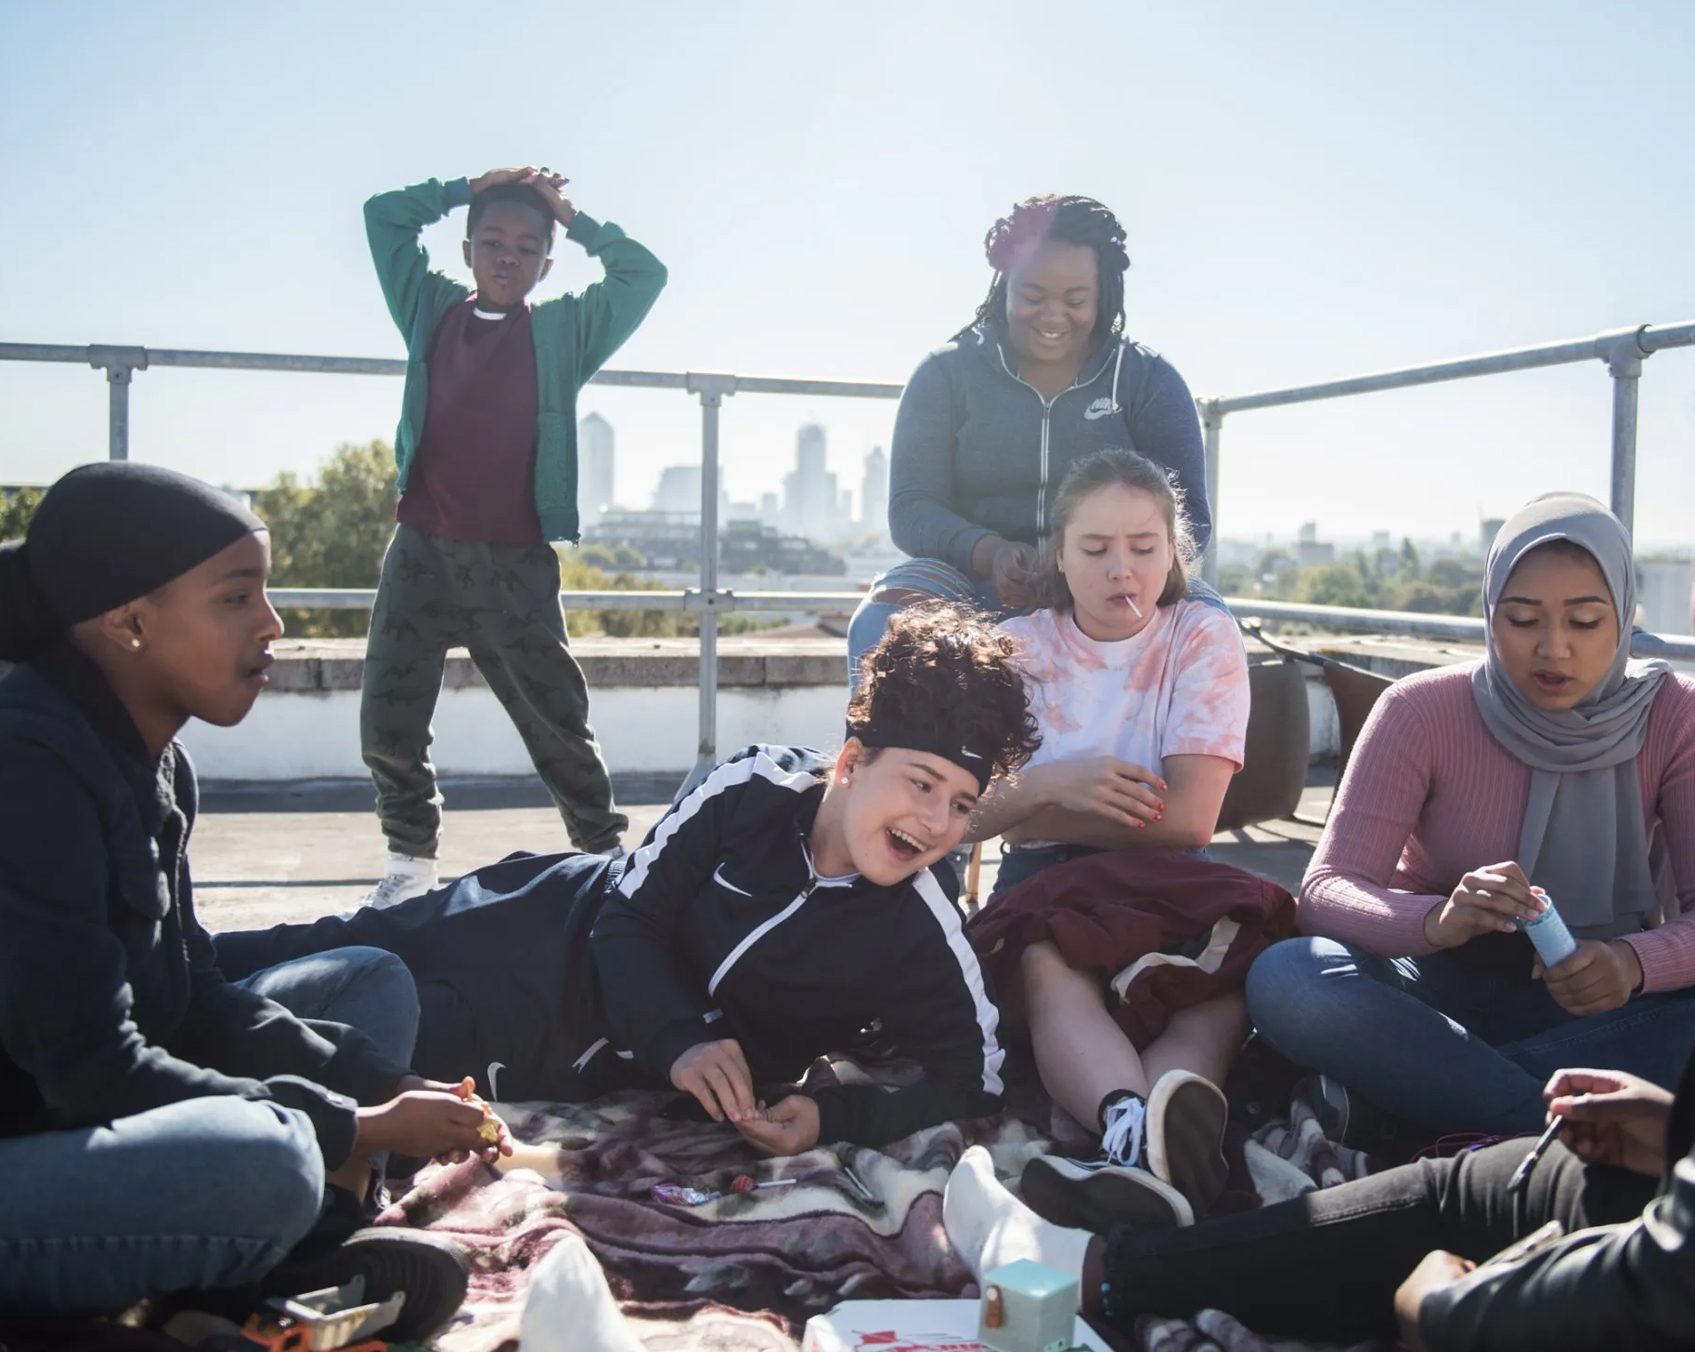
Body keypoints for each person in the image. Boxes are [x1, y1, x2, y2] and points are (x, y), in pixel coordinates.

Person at [943, 231, 1695, 1351]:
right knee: (1321, 1002)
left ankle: (1411, 1139)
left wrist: (1446, 1309)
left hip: (1651, 1077)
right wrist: (1451, 934)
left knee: (1537, 1151)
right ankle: (1101, 1268)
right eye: (1520, 617)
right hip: (1448, 994)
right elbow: (1328, 890)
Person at [216, 606, 1039, 1152]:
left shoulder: (921, 923)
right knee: (308, 947)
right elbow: (627, 913)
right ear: (853, 761)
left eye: (962, 804)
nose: (937, 822)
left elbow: (976, 1080)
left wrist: (834, 1115)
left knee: (344, 1030)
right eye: (921, 784)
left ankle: (155, 1061)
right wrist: (681, 1036)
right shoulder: (752, 789)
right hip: (530, 923)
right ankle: (132, 965)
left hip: (535, 1046)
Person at [0, 463, 495, 1333]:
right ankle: (204, 1273)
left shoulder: (158, 762)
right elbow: (87, 1070)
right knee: (266, 1159)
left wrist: (387, 1085)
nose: (273, 625)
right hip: (30, 1147)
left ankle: (260, 1265)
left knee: (367, 983)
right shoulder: (29, 762)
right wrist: (359, 1127)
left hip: (101, 1119)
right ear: (129, 623)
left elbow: (192, 999)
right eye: (236, 599)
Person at [1247, 492, 1695, 1147]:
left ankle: (1407, 1116)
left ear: (1624, 618)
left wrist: (1631, 964)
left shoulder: (1678, 715)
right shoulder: (1422, 710)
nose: (1555, 650)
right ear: (1490, 614)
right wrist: (1435, 921)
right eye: (1523, 619)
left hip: (1604, 1007)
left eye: (1584, 621)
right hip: (1433, 994)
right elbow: (1326, 894)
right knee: (1291, 977)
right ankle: (1545, 1132)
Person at [962, 450, 1264, 1233]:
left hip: (1168, 877)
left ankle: (1147, 1146)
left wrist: (1031, 806)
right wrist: (1047, 790)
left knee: (1221, 986)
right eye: (1095, 549)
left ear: (1175, 550)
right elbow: (958, 815)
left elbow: (1190, 820)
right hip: (1043, 882)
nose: (1120, 569)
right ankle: (1134, 1128)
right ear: (1060, 553)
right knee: (1046, 960)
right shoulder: (1016, 647)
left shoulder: (1201, 636)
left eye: (1144, 546)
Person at [359, 166, 668, 907]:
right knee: (387, 715)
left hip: (512, 560)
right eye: (492, 241)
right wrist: (469, 186)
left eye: (527, 247)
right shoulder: (428, 309)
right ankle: (410, 864)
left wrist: (576, 215)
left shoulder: (562, 331)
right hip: (422, 547)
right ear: (466, 250)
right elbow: (383, 217)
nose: (507, 256)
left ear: (545, 265)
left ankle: (604, 860)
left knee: (555, 720)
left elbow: (643, 272)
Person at [847, 195, 1223, 683]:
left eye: (1074, 300)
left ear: (1102, 295)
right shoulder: (945, 374)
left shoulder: (1147, 380)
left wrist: (1093, 564)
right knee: (882, 620)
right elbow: (912, 507)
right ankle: (880, 760)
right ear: (1005, 285)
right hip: (970, 576)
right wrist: (992, 552)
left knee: (1210, 621)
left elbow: (1189, 516)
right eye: (1032, 295)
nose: (1052, 317)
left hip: (1112, 575)